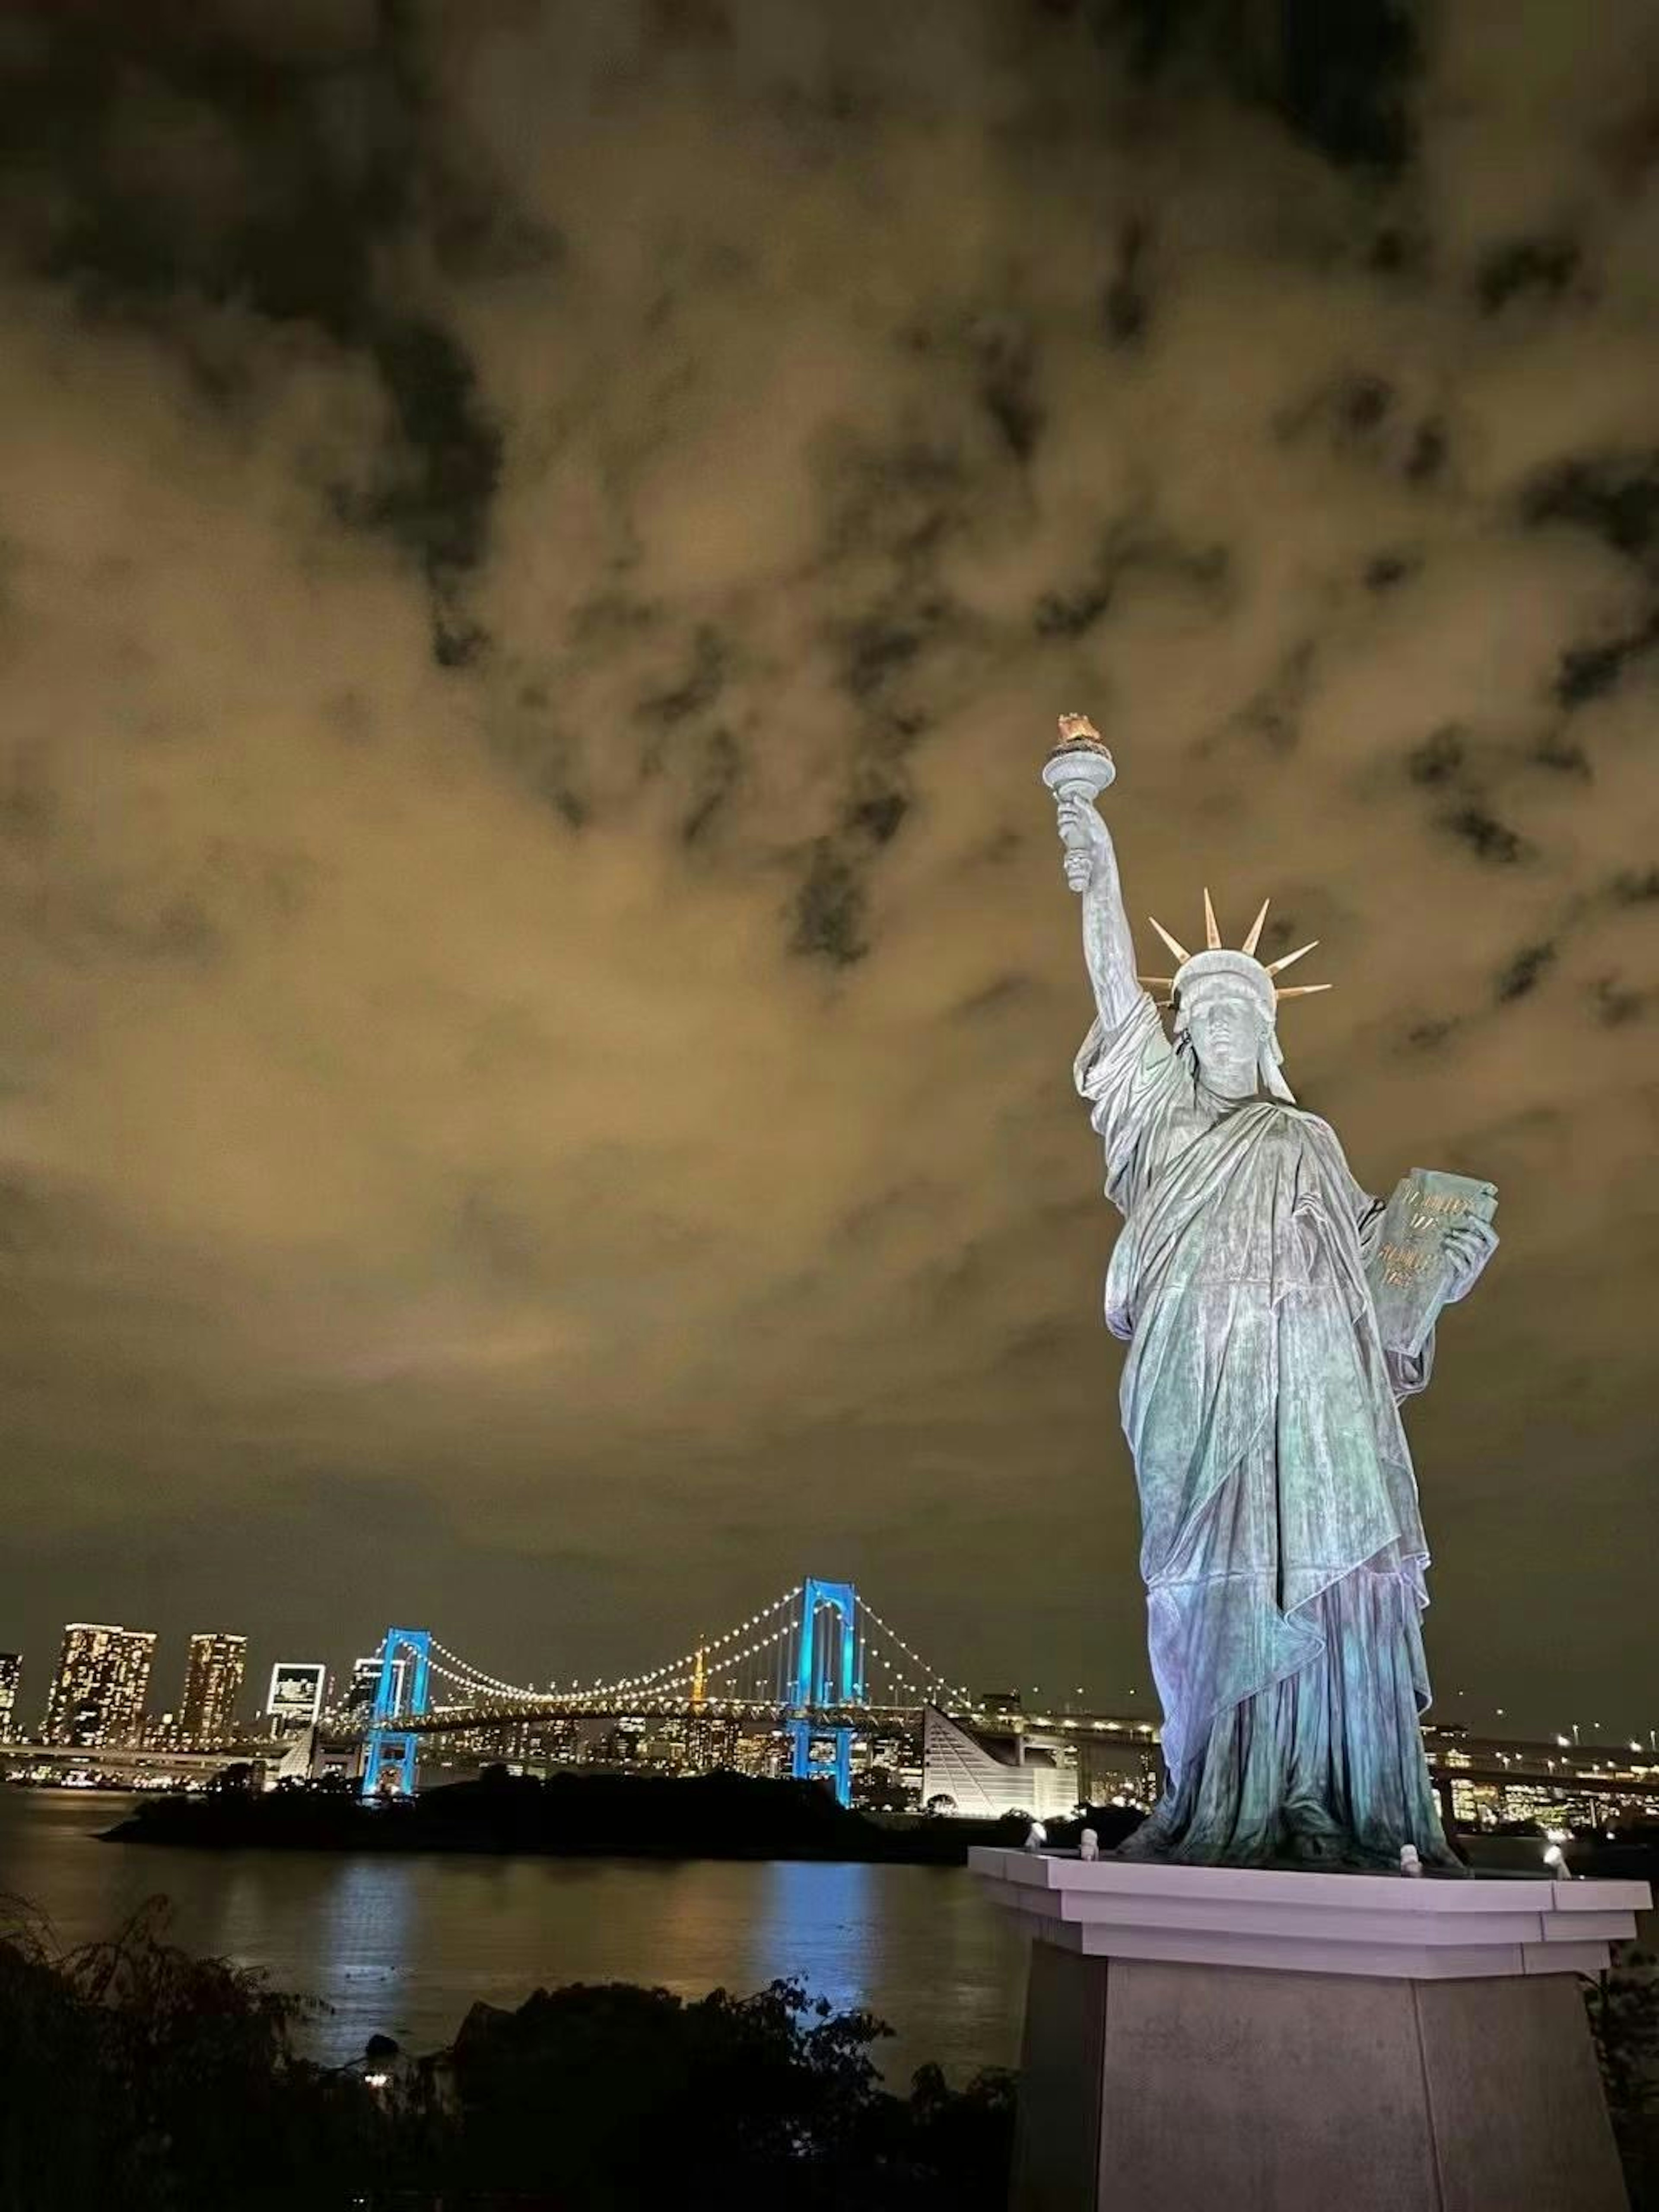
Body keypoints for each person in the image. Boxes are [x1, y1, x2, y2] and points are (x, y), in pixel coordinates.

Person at [1053, 721, 1495, 1869]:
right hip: (1194, 1380)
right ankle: (1212, 1787)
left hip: (1307, 1391)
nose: (1225, 1031)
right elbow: (1112, 979)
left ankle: (1324, 1790)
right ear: (1185, 1038)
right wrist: (1086, 823)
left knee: (1326, 1569)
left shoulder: (1305, 1139)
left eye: (1244, 1016)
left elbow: (1374, 1272)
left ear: (1271, 1032)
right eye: (1204, 1019)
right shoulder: (1160, 1120)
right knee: (1201, 1581)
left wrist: (1434, 1258)